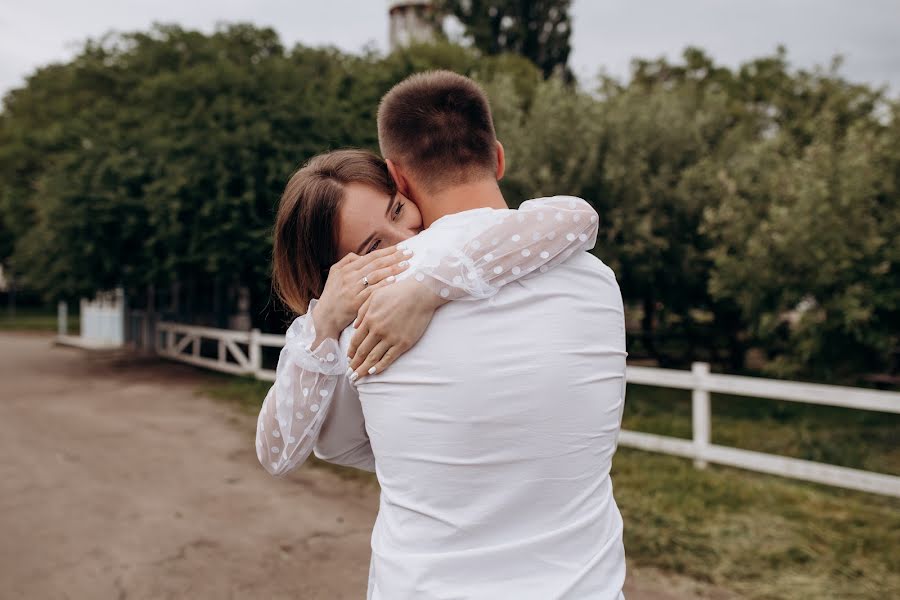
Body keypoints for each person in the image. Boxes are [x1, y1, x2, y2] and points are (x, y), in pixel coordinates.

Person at [257, 148, 601, 475]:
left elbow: (577, 217)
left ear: (402, 185)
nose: (405, 237)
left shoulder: (464, 252)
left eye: (397, 210)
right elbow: (279, 455)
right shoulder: (354, 328)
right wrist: (324, 322)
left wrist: (427, 290)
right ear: (340, 269)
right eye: (375, 245)